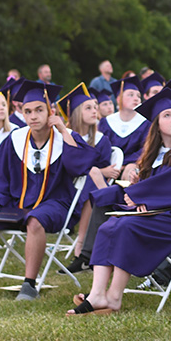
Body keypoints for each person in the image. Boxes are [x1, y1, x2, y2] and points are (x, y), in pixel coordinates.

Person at [0, 80, 93, 301]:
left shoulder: (66, 137)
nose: (33, 116)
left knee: (35, 220)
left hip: (54, 205)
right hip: (15, 205)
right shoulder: (15, 139)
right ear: (22, 113)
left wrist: (62, 129)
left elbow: (79, 166)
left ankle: (29, 285)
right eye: (28, 111)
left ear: (50, 111)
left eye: (39, 110)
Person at [66, 89, 171, 315]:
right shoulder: (155, 153)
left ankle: (113, 297)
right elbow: (152, 186)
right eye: (168, 115)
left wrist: (143, 196)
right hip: (156, 211)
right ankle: (98, 294)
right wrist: (137, 184)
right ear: (157, 124)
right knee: (109, 226)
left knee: (125, 227)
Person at [56, 83, 117, 266]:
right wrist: (98, 171)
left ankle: (82, 248)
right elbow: (70, 165)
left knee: (92, 184)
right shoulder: (65, 137)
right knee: (93, 180)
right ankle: (84, 247)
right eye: (88, 108)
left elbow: (104, 168)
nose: (94, 111)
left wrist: (98, 171)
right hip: (66, 191)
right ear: (75, 112)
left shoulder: (101, 140)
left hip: (87, 194)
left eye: (95, 107)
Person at [98, 75, 149, 169]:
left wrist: (124, 164)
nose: (136, 98)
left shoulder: (145, 124)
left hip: (133, 168)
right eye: (130, 94)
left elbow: (145, 149)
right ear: (118, 99)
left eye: (138, 96)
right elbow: (99, 148)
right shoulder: (106, 122)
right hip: (108, 168)